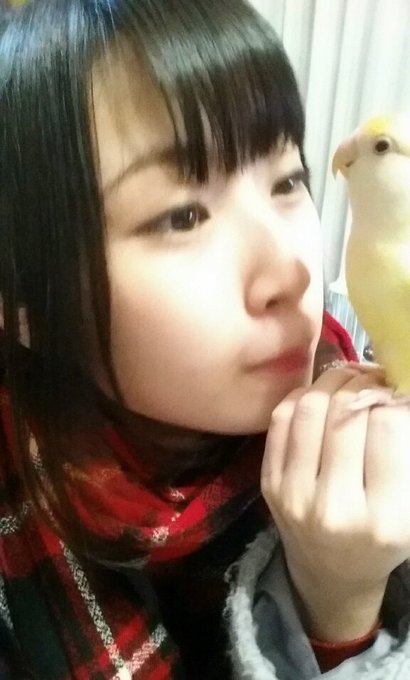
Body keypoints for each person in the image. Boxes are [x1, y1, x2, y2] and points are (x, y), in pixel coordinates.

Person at [1, 1, 410, 678]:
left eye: (287, 180)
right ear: (27, 310)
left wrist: (346, 592)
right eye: (183, 216)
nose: (291, 271)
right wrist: (333, 607)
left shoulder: (366, 415)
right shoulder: (25, 551)